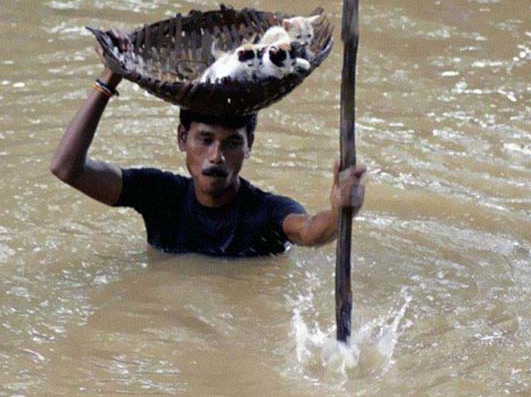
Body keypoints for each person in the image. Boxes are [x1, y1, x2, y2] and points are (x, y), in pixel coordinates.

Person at [50, 32, 366, 257]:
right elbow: (66, 168)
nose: (217, 156)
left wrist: (341, 212)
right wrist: (109, 78)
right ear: (182, 138)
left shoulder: (267, 212)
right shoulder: (159, 196)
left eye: (231, 143)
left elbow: (309, 232)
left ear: (249, 145)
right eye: (205, 140)